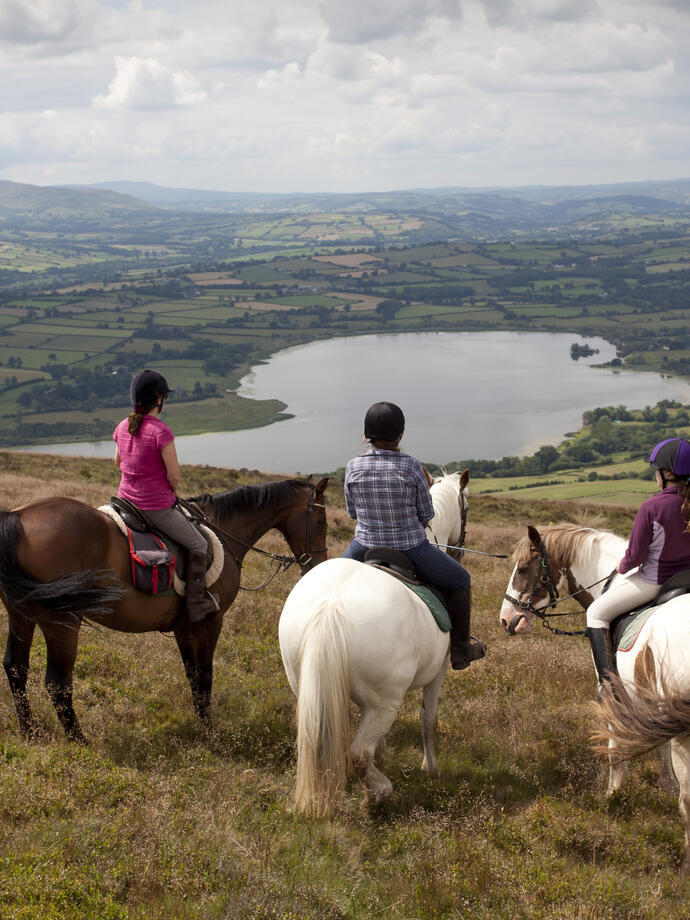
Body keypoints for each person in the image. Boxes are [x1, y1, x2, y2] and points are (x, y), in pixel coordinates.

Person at [341, 401, 486, 670]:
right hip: (409, 547)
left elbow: (352, 513)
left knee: (332, 579)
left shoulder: (352, 467)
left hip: (363, 546)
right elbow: (426, 513)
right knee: (460, 579)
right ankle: (460, 650)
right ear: (400, 435)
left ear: (367, 436)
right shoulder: (411, 467)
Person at [113, 369, 219, 622]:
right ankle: (196, 604)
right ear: (158, 398)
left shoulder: (122, 425)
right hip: (154, 507)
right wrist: (170, 492)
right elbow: (173, 476)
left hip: (124, 502)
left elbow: (117, 462)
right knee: (199, 544)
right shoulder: (161, 432)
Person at [587, 437, 690, 693]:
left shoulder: (652, 507)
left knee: (596, 613)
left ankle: (608, 687)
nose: (655, 475)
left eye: (656, 470)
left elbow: (634, 557)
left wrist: (621, 567)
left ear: (666, 473)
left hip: (656, 582)